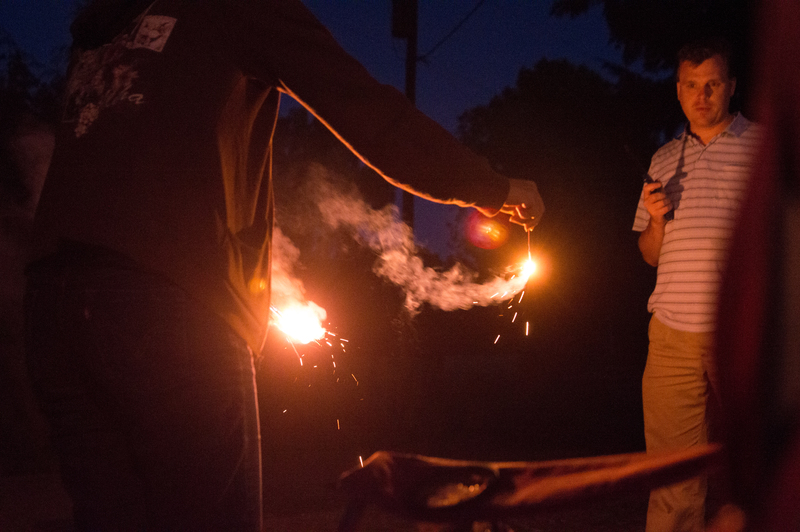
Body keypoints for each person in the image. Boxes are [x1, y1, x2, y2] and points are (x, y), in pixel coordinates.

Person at [23, 0, 544, 530]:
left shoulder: (105, 20)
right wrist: (490, 188)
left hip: (53, 305)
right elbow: (364, 108)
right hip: (163, 302)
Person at [632, 38, 761, 532]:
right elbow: (649, 254)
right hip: (670, 339)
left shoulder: (761, 146)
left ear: (730, 87)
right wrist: (658, 222)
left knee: (753, 470)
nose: (701, 95)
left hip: (743, 334)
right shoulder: (663, 160)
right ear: (678, 90)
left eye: (712, 84)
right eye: (691, 85)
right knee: (672, 476)